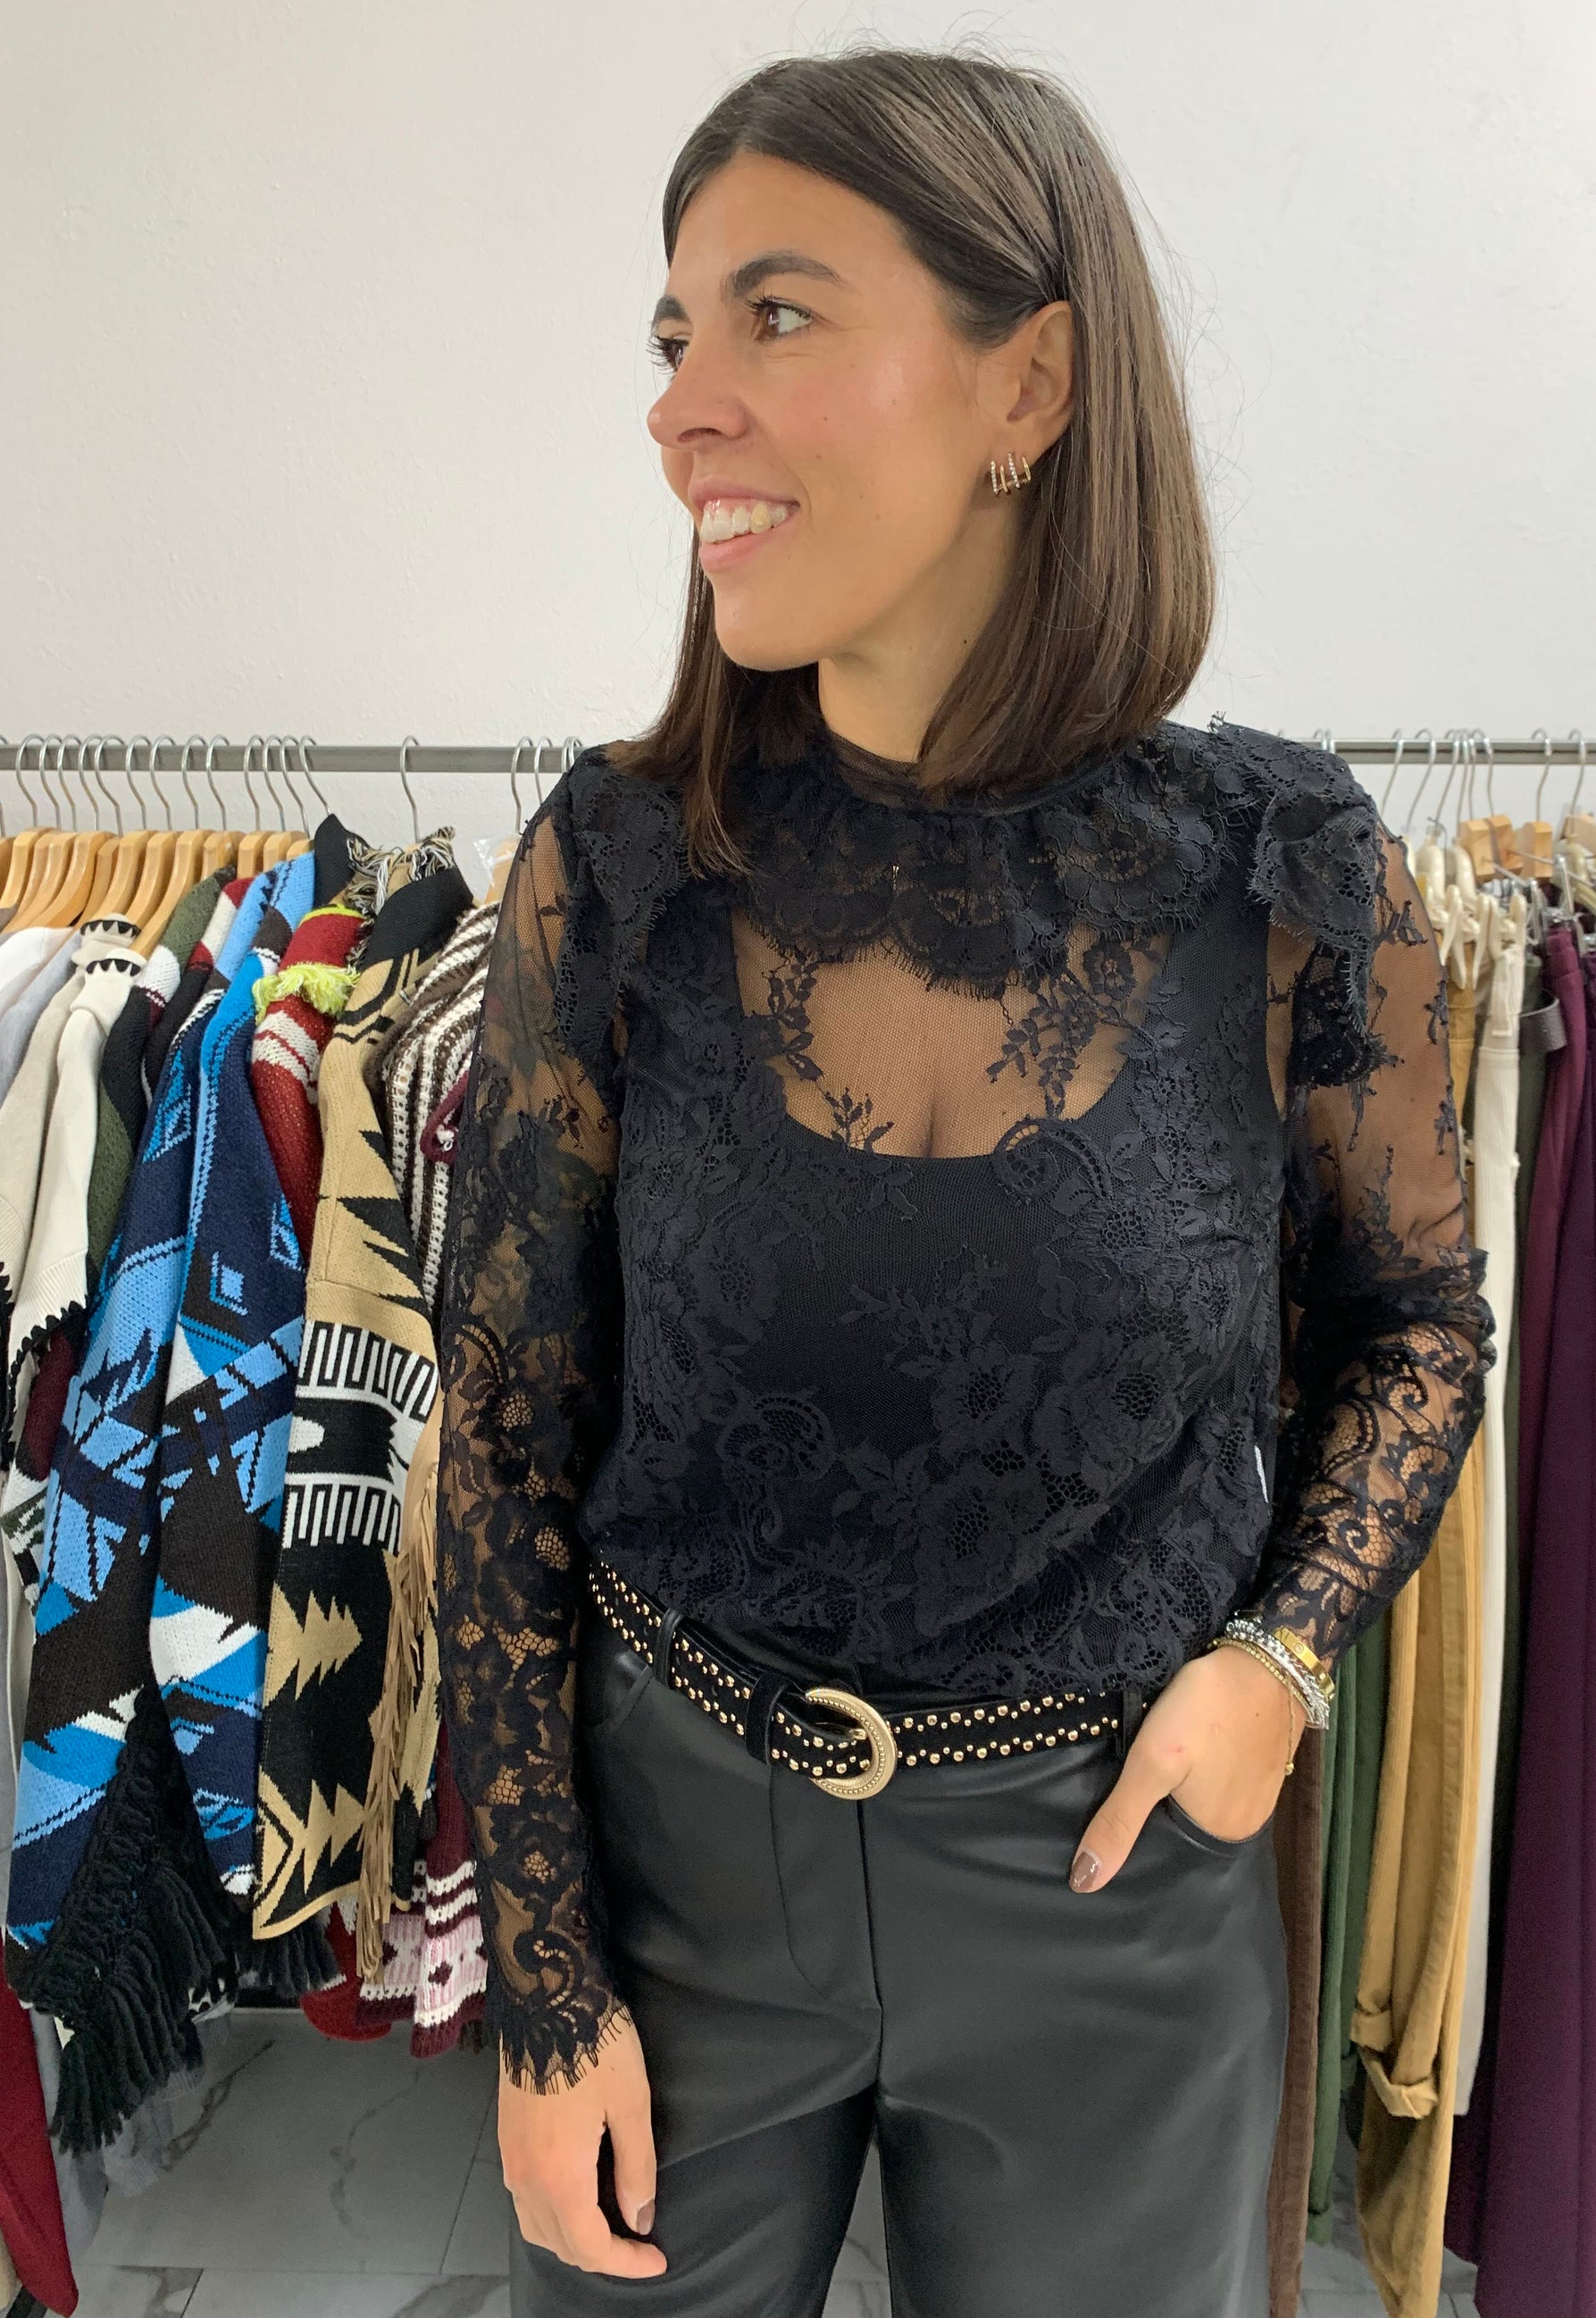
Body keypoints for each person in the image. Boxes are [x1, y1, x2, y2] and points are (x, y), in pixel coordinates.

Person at [434, 43, 1492, 2318]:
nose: (677, 409)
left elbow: (1416, 1323)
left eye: (775, 314)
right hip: (678, 1869)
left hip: (1112, 1882)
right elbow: (503, 1425)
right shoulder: (613, 869)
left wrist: (1280, 1660)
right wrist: (542, 1979)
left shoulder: (1283, 867)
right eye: (672, 334)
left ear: (1031, 385)